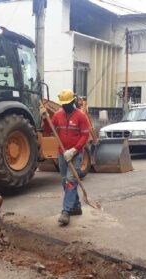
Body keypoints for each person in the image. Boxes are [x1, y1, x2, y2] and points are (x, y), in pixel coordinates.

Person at [41, 89, 90, 226]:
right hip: (62, 152)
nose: (65, 106)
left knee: (70, 181)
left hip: (75, 153)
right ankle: (76, 206)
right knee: (64, 181)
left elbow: (85, 136)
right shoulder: (58, 115)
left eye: (67, 104)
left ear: (73, 102)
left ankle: (66, 212)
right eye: (63, 104)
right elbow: (49, 129)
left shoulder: (81, 116)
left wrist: (74, 150)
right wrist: (45, 119)